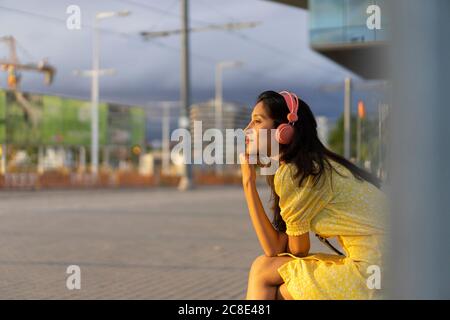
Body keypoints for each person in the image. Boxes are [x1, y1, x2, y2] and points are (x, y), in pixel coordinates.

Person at [240, 90, 388, 300]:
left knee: (268, 278)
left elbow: (297, 250)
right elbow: (276, 248)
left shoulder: (297, 173)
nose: (247, 129)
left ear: (283, 131)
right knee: (264, 268)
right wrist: (249, 183)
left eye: (257, 121)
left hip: (375, 274)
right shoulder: (314, 165)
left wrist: (248, 183)